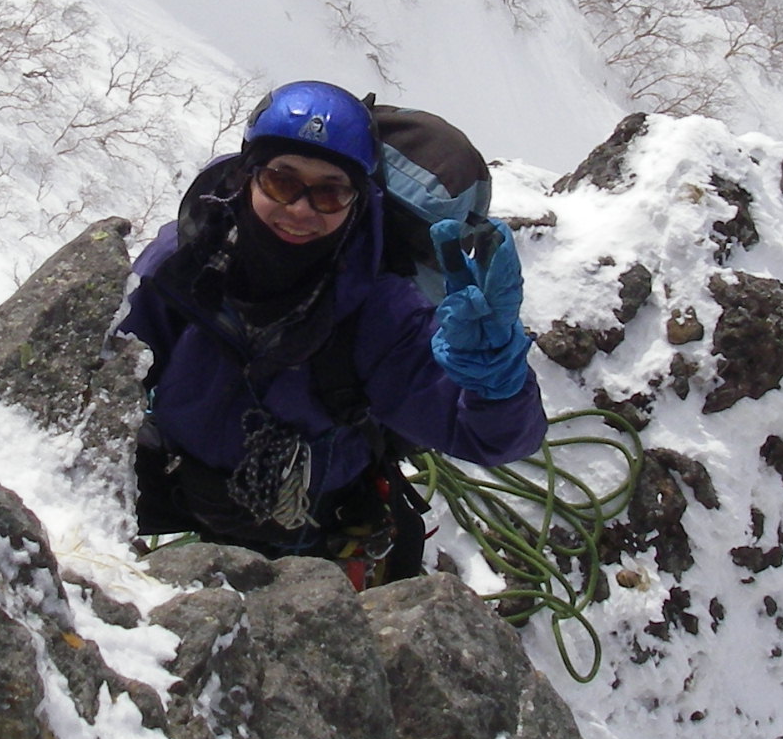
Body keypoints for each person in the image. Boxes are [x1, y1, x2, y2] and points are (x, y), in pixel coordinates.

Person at [120, 80, 543, 577]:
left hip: (304, 530)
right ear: (247, 176)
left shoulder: (381, 310)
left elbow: (492, 439)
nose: (301, 209)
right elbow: (111, 361)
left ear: (358, 202)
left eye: (330, 192)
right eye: (282, 181)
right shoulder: (184, 262)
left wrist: (496, 381)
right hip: (171, 483)